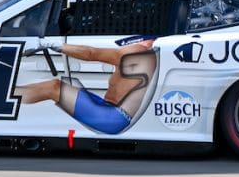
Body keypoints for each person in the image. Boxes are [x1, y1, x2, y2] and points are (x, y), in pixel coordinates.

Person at [17, 38, 156, 135]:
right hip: (108, 109)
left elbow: (91, 53)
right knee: (62, 86)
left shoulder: (137, 52)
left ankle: (6, 97)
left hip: (112, 118)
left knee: (54, 88)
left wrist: (47, 43)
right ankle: (10, 95)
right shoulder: (147, 52)